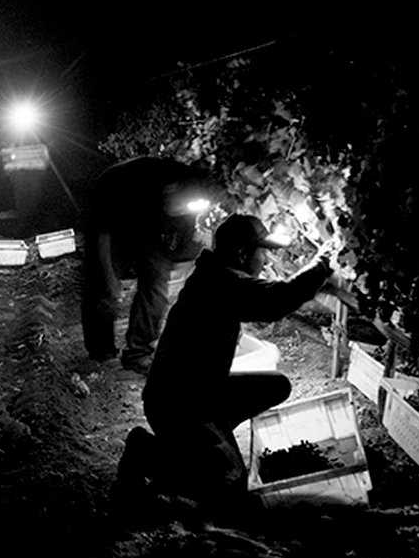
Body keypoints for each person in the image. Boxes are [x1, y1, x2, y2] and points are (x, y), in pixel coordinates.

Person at [112, 213, 337, 522]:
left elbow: (268, 295)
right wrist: (323, 264)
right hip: (177, 404)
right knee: (227, 487)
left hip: (196, 392)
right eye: (263, 251)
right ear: (243, 254)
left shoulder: (215, 275)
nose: (265, 258)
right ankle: (147, 453)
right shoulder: (221, 283)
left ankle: (209, 440)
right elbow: (276, 301)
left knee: (275, 387)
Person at [81, 156, 210, 373]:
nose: (180, 213)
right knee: (101, 288)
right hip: (115, 221)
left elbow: (185, 249)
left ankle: (138, 352)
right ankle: (101, 353)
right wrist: (112, 279)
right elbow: (102, 236)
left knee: (157, 284)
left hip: (152, 226)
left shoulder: (189, 192)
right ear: (169, 191)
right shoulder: (124, 186)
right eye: (176, 207)